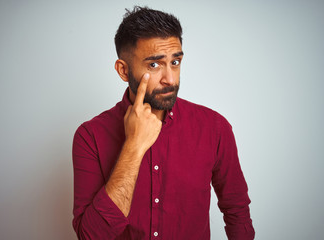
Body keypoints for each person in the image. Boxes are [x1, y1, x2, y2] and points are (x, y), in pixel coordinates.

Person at [72, 6, 255, 240]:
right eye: (154, 65)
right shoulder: (90, 136)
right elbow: (91, 236)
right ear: (124, 70)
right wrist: (134, 146)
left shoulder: (215, 128)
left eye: (175, 62)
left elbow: (237, 211)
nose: (170, 78)